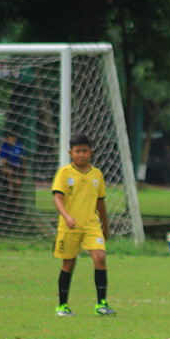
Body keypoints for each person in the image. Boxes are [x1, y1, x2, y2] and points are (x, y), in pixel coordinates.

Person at [51, 134, 116, 317]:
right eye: (77, 151)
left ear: (91, 152)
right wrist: (67, 216)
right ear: (71, 152)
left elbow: (100, 202)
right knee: (68, 264)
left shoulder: (97, 174)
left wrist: (105, 226)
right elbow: (57, 198)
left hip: (91, 226)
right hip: (69, 226)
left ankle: (101, 303)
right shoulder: (64, 173)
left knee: (100, 257)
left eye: (84, 151)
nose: (81, 154)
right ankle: (62, 305)